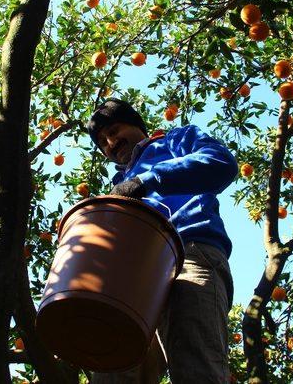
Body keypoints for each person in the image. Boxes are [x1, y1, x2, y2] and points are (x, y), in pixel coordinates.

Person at [87, 99, 237, 384]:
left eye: (116, 129)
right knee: (114, 369)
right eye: (103, 142)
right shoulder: (119, 184)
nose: (111, 142)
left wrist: (148, 180)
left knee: (195, 365)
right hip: (136, 276)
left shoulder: (174, 140)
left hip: (189, 252)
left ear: (137, 126)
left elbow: (221, 163)